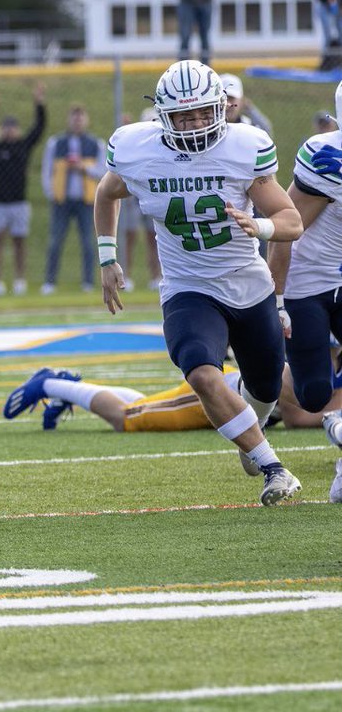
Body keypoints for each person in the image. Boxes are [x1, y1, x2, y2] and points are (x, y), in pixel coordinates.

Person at [88, 59, 304, 506]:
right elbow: (107, 193)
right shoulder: (138, 149)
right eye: (185, 115)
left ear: (221, 108)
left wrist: (258, 226)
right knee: (203, 373)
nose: (196, 123)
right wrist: (107, 257)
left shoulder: (243, 148)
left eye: (205, 112)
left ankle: (253, 428)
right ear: (163, 115)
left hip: (248, 285)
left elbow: (291, 220)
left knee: (265, 387)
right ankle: (272, 466)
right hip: (188, 287)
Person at [267, 81, 342, 423]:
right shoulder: (329, 160)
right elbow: (285, 231)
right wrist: (277, 298)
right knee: (312, 395)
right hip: (310, 282)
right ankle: (250, 382)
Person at [5, 361, 342, 435]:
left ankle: (70, 386)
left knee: (146, 404)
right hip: (216, 395)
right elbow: (295, 416)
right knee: (129, 419)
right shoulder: (321, 353)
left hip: (226, 388)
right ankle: (50, 385)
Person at [0, 84, 47, 295]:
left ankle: (20, 280)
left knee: (20, 242)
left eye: (13, 126)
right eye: (6, 126)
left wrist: (39, 103)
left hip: (18, 202)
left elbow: (38, 129)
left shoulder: (22, 146)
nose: (9, 130)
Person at [40, 105, 106, 295]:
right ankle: (49, 282)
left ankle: (88, 282)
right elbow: (47, 171)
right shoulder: (55, 143)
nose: (77, 121)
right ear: (69, 120)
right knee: (55, 241)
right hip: (62, 200)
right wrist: (51, 193)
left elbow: (103, 170)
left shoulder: (96, 144)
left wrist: (83, 168)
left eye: (80, 117)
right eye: (74, 117)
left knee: (87, 242)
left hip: (86, 201)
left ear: (86, 120)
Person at [114, 110, 161, 292]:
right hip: (134, 198)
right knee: (129, 237)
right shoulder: (138, 145)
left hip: (154, 196)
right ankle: (126, 276)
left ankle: (156, 276)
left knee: (154, 238)